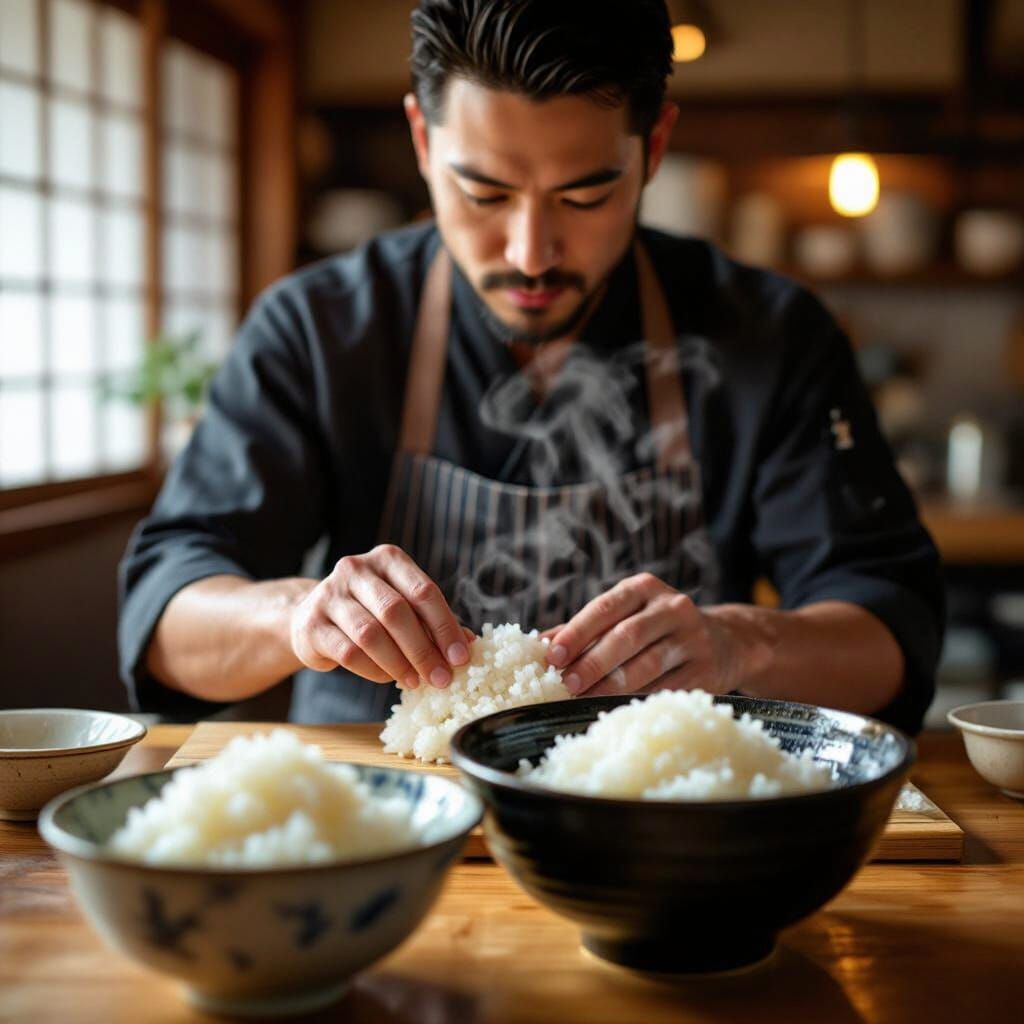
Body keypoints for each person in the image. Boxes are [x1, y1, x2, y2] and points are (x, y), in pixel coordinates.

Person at [119, 0, 943, 732]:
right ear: (421, 138)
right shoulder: (322, 328)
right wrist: (299, 616)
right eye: (482, 193)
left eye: (585, 196)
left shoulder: (770, 333)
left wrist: (740, 645)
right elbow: (165, 626)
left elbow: (889, 633)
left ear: (653, 148)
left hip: (660, 822)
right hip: (379, 832)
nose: (531, 254)